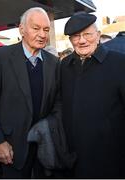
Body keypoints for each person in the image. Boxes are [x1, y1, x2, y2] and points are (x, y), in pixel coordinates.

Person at [0, 7, 61, 178]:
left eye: (46, 29)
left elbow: (57, 103)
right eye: (36, 28)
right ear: (22, 29)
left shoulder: (53, 62)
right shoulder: (0, 58)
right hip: (11, 149)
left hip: (44, 148)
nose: (42, 34)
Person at [60, 11, 125, 178]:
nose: (82, 40)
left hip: (111, 159)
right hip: (74, 157)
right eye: (76, 36)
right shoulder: (64, 66)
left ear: (98, 35)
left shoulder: (119, 63)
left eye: (87, 34)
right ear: (70, 40)